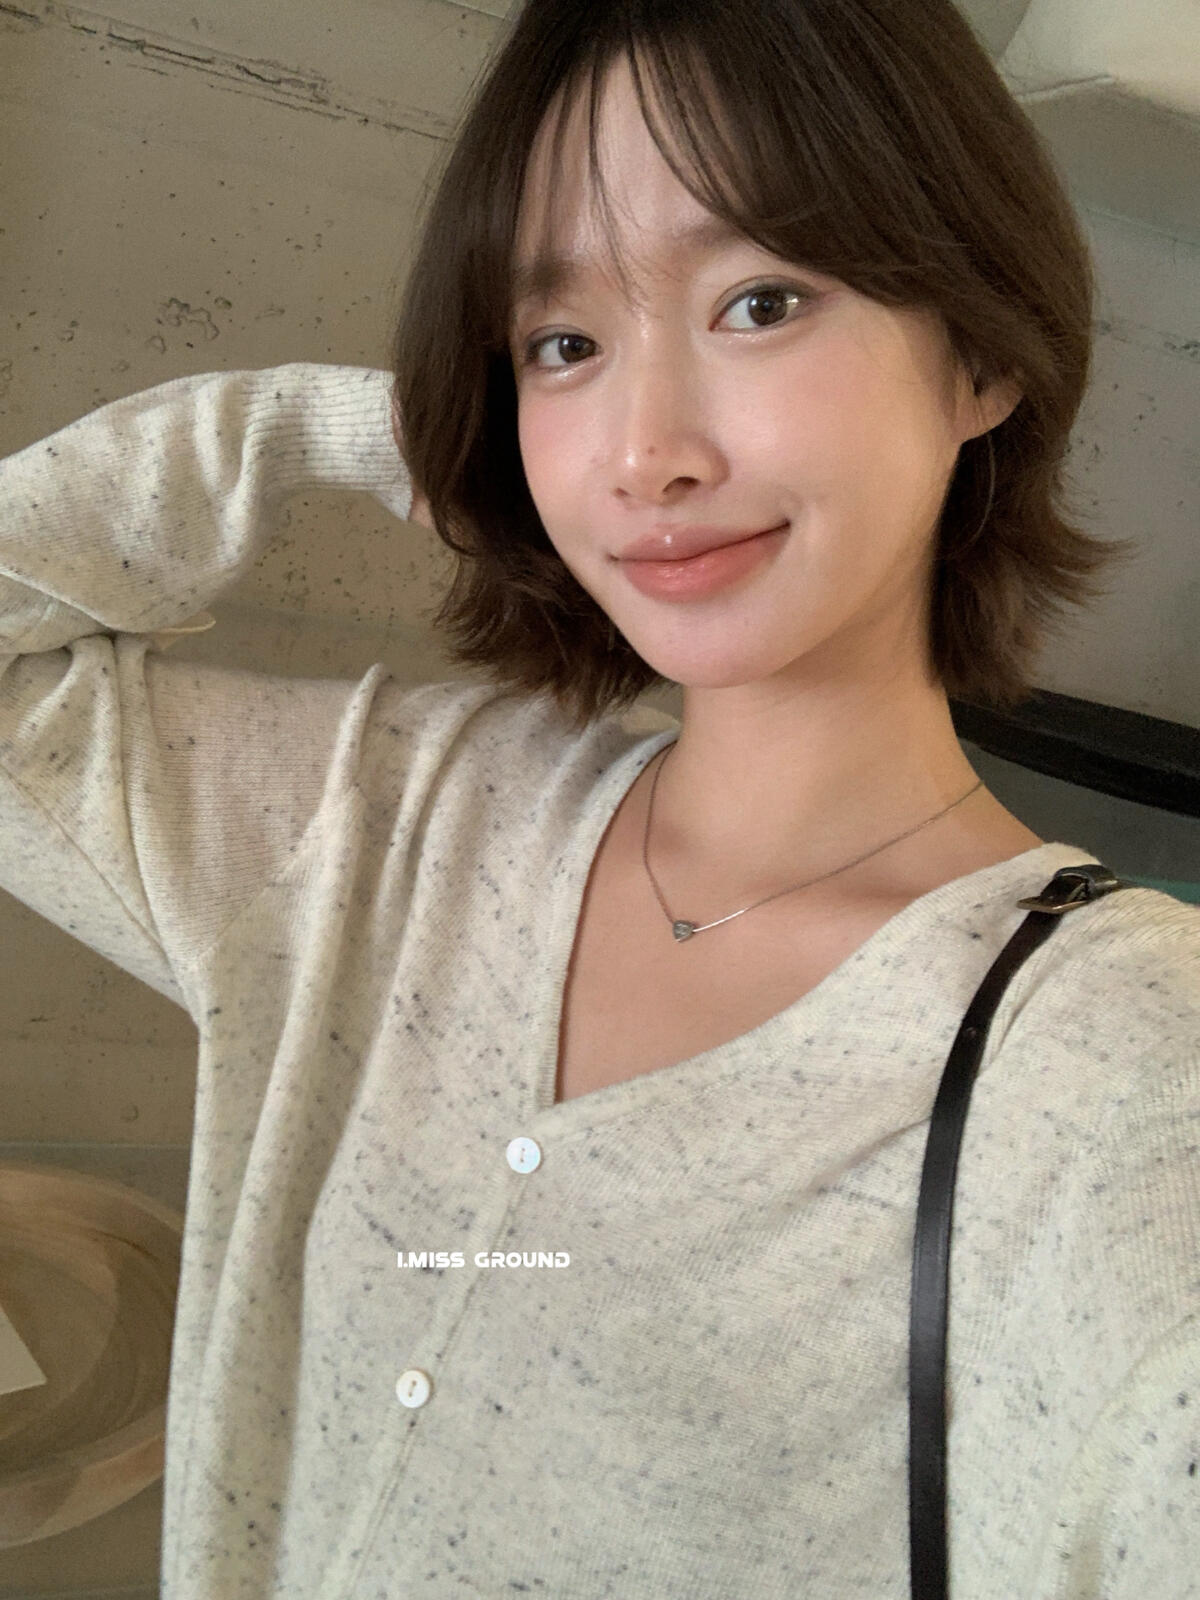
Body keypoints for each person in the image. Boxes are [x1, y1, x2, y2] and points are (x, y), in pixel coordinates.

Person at [1, 2, 1196, 1595]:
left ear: (982, 353)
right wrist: (354, 431)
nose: (643, 453)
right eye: (560, 344)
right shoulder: (394, 819)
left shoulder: (1120, 1072)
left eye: (761, 301)